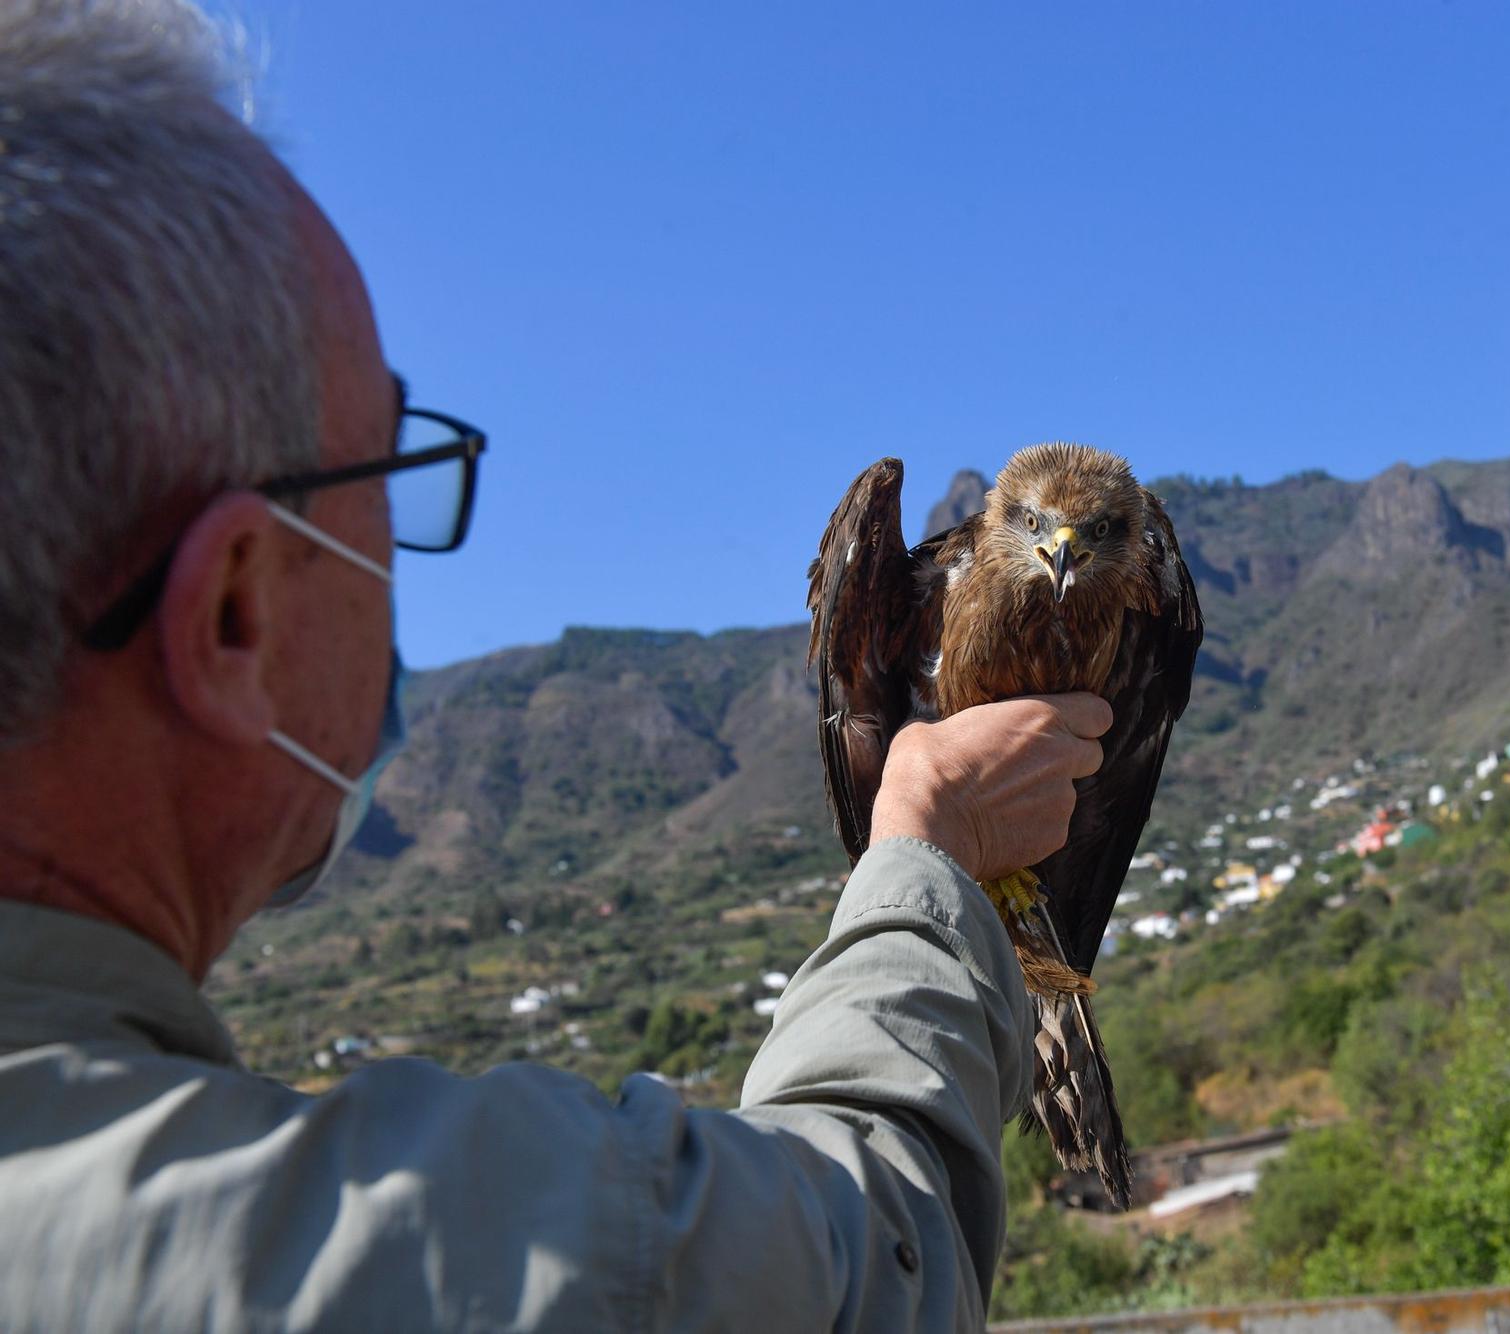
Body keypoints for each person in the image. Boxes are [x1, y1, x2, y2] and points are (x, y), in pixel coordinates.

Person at [0, 2, 1111, 1328]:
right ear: (235, 613)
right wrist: (925, 852)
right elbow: (869, 1253)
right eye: (387, 471)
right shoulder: (393, 1254)